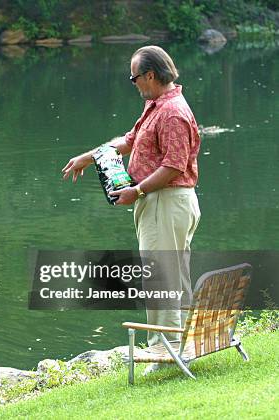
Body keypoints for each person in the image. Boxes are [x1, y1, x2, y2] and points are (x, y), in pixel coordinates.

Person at [61, 46, 201, 365]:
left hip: (167, 202)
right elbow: (129, 140)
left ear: (151, 75)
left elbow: (174, 166)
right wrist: (90, 156)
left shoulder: (173, 112)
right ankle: (181, 348)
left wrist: (136, 191)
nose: (133, 83)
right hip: (162, 203)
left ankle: (164, 352)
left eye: (134, 77)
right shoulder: (156, 105)